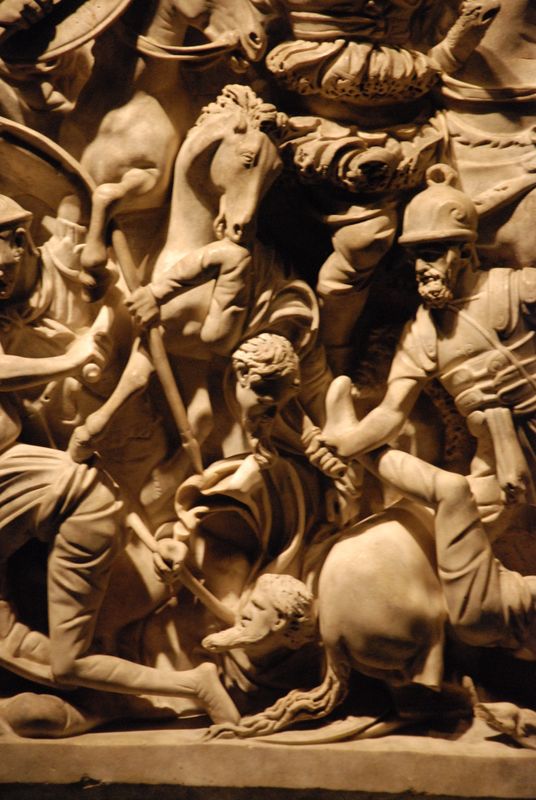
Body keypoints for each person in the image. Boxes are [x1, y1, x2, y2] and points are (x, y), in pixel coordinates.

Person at [0, 195, 239, 723]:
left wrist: (96, 342)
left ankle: (170, 686)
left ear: (21, 244)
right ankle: (124, 697)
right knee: (34, 646)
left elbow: (139, 342)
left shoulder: (69, 282)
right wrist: (71, 363)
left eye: (5, 265)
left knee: (70, 651)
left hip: (103, 477)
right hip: (71, 479)